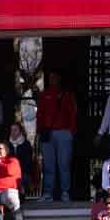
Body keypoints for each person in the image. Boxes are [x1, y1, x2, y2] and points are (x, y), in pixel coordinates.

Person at [37, 70, 78, 203]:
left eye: (55, 77)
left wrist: (71, 132)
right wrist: (39, 131)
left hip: (64, 133)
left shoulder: (67, 94)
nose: (53, 79)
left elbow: (73, 114)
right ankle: (48, 193)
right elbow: (40, 115)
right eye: (51, 77)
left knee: (64, 164)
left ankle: (65, 192)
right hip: (47, 133)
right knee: (48, 165)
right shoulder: (44, 95)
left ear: (59, 79)